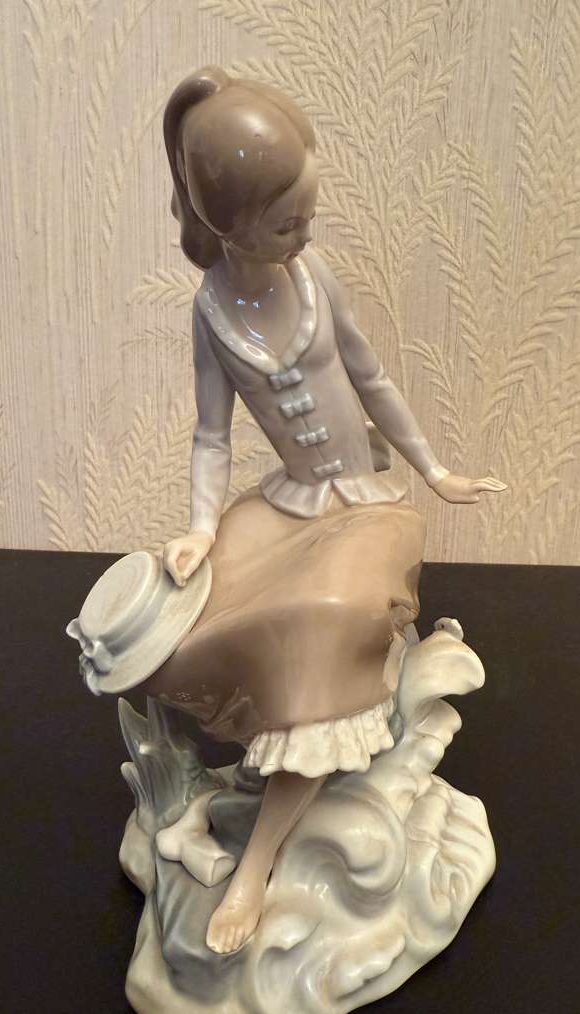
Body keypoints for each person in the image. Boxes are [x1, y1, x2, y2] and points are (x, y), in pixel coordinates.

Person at [143, 66, 506, 956]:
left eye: (308, 213)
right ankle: (209, 791)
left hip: (367, 505)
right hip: (292, 505)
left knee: (326, 620)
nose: (305, 233)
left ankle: (258, 865)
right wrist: (199, 528)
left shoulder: (314, 280)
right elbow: (211, 435)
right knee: (184, 612)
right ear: (230, 227)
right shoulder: (212, 312)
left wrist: (435, 470)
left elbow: (371, 379)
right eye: (285, 223)